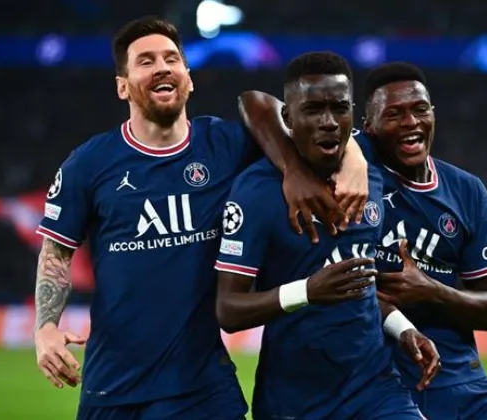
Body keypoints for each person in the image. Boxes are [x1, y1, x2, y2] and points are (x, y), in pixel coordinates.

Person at [32, 17, 370, 420]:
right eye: (145, 61)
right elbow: (57, 252)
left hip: (204, 391)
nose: (162, 67)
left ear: (188, 79)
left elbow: (286, 114)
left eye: (171, 59)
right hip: (114, 389)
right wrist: (45, 328)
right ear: (122, 86)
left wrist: (355, 158)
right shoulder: (89, 164)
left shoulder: (227, 145)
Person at [215, 52, 439, 420]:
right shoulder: (256, 192)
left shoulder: (371, 175)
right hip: (294, 401)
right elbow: (228, 309)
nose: (329, 122)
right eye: (313, 109)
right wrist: (306, 291)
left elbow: (359, 290)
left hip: (374, 389)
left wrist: (403, 329)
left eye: (339, 108)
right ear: (288, 118)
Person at [362, 62, 487, 419]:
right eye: (394, 114)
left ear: (433, 114)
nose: (411, 122)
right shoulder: (355, 179)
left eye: (420, 109)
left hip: (462, 378)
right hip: (385, 382)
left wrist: (430, 290)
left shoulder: (468, 191)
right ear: (368, 127)